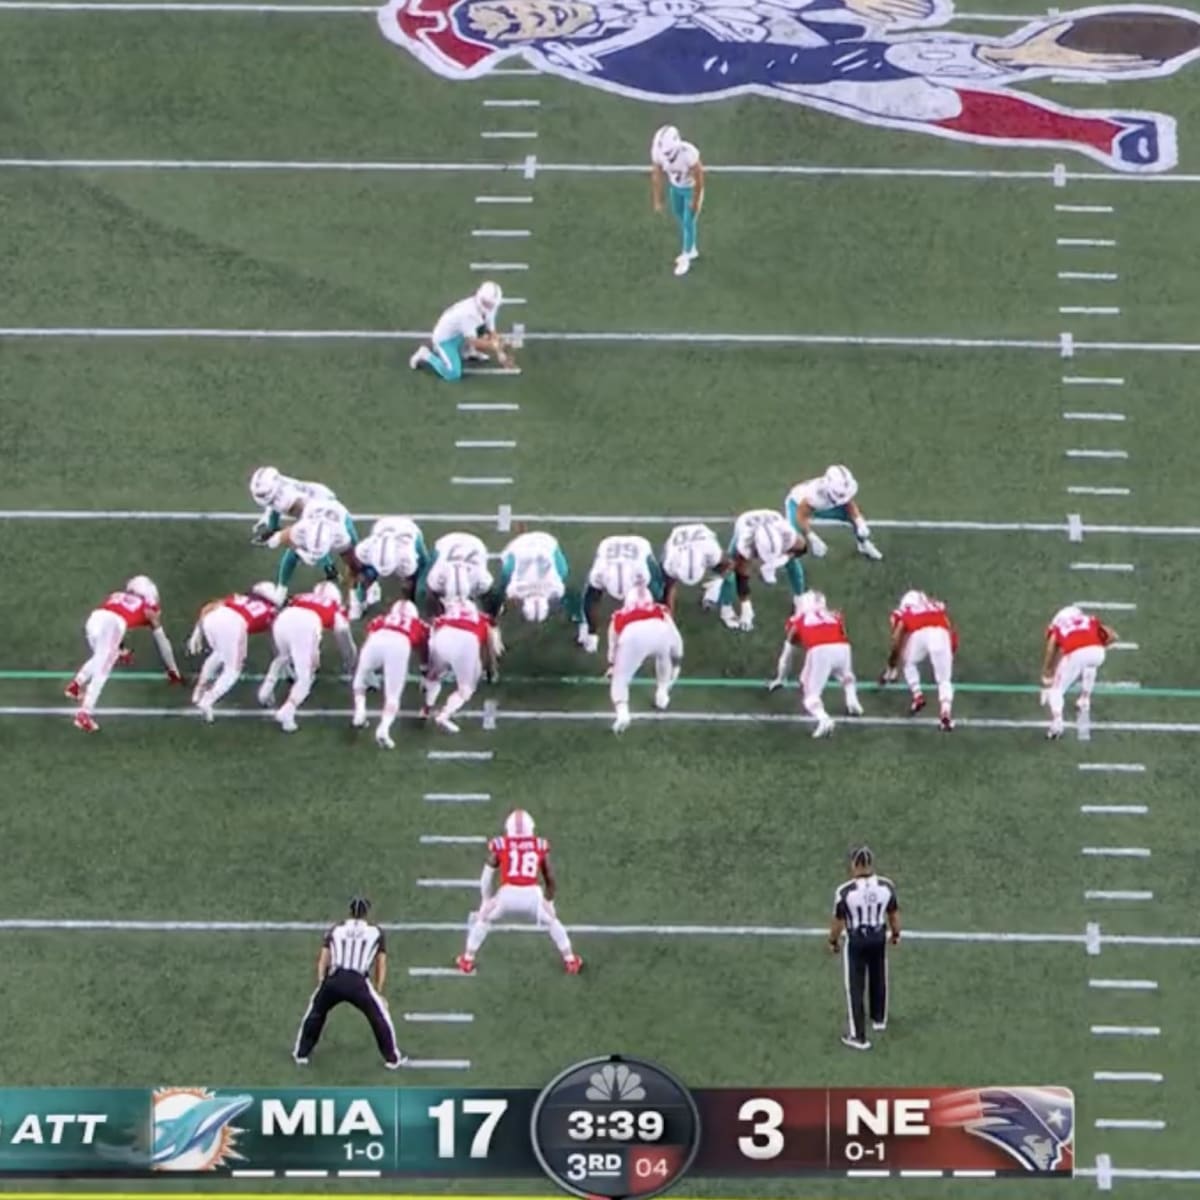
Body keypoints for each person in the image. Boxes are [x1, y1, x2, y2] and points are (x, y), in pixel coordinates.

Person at [456, 810, 582, 975]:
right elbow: (550, 878)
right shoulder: (540, 845)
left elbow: (486, 876)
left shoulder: (501, 844)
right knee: (552, 921)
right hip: (533, 895)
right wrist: (549, 902)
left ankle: (467, 959)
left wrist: (487, 900)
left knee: (483, 920)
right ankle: (570, 960)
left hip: (507, 895)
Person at [293, 896, 406, 1069]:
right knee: (379, 1017)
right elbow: (380, 964)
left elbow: (323, 959)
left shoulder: (336, 929)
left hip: (335, 978)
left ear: (350, 911)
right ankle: (392, 1058)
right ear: (366, 912)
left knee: (315, 1013)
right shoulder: (376, 932)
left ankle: (301, 1053)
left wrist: (322, 983)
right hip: (357, 981)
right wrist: (379, 991)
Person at [66, 576, 184, 732]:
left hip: (95, 619)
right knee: (103, 669)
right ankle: (84, 714)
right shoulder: (148, 608)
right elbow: (163, 642)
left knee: (104, 656)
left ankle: (75, 685)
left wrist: (120, 649)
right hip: (113, 625)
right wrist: (173, 669)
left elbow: (116, 614)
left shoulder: (117, 595)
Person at [257, 582, 357, 732]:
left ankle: (266, 690)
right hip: (306, 624)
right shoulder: (334, 608)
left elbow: (275, 614)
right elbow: (344, 636)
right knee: (306, 678)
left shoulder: (300, 597)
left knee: (283, 657)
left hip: (283, 619)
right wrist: (351, 663)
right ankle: (287, 712)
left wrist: (277, 651)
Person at [830, 845, 900, 1052]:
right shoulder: (886, 886)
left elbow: (838, 922)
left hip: (857, 941)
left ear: (854, 864)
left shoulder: (845, 891)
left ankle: (858, 1036)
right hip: (878, 936)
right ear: (871, 863)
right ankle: (879, 1019)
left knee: (855, 986)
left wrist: (832, 941)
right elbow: (894, 914)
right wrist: (896, 934)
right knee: (879, 975)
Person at [768, 589, 862, 737]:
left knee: (810, 694)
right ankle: (852, 700)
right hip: (843, 647)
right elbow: (842, 633)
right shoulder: (835, 616)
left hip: (820, 651)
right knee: (845, 674)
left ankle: (824, 720)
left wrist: (781, 678)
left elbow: (787, 655)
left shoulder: (798, 621)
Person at [187, 582, 286, 721]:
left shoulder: (238, 598)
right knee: (233, 670)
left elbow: (209, 607)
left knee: (219, 653)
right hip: (234, 624)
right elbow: (275, 642)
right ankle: (207, 700)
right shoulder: (271, 611)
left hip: (212, 618)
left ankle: (199, 690)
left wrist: (197, 632)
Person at [703, 509, 807, 632]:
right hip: (746, 522)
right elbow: (742, 577)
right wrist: (746, 607)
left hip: (773, 519)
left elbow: (802, 549)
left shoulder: (788, 534)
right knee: (729, 570)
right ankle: (726, 608)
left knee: (793, 563)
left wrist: (783, 559)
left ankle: (800, 600)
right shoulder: (745, 543)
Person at [352, 599, 429, 749]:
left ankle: (359, 711)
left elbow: (369, 633)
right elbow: (424, 649)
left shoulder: (381, 619)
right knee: (393, 695)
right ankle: (384, 728)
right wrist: (424, 671)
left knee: (360, 679)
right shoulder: (418, 623)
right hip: (399, 644)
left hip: (376, 639)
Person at [607, 585, 683, 734]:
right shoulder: (660, 610)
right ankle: (662, 692)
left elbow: (613, 644)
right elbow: (675, 636)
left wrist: (612, 664)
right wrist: (677, 659)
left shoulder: (619, 615)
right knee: (664, 657)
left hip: (632, 635)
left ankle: (623, 713)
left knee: (620, 679)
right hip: (660, 630)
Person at [882, 589, 958, 730]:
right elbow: (950, 629)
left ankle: (917, 695)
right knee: (944, 680)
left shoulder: (906, 612)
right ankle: (945, 713)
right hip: (940, 633)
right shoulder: (935, 607)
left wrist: (892, 664)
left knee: (909, 663)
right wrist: (951, 651)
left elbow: (897, 639)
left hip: (920, 634)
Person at [409, 281, 513, 380]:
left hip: (459, 333)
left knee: (483, 330)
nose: (490, 306)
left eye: (491, 304)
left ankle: (467, 351)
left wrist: (500, 353)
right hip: (445, 339)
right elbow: (473, 341)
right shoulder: (468, 314)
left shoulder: (489, 307)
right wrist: (494, 346)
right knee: (453, 374)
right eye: (487, 303)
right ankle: (426, 354)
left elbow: (491, 330)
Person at [423, 598, 498, 733]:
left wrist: (429, 666)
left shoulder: (443, 618)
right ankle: (444, 716)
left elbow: (430, 639)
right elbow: (489, 649)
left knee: (433, 676)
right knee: (466, 689)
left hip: (442, 637)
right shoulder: (481, 619)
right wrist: (490, 670)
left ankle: (427, 707)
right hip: (467, 642)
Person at [1041, 605, 1116, 739]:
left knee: (1056, 690)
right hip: (1098, 652)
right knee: (1090, 666)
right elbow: (1112, 635)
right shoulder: (1089, 620)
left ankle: (1057, 724)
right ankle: (1084, 699)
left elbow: (1051, 649)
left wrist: (1047, 670)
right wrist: (1099, 646)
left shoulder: (1058, 626)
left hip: (1077, 653)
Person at [785, 465, 883, 561]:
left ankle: (863, 544)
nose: (841, 497)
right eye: (839, 494)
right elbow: (801, 516)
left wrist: (859, 520)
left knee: (853, 519)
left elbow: (848, 503)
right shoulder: (813, 496)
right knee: (793, 540)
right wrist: (812, 537)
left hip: (824, 505)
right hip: (797, 505)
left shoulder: (843, 488)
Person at [650, 124, 704, 277]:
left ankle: (686, 256)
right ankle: (691, 248)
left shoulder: (688, 153)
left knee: (688, 221)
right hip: (676, 188)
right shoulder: (658, 152)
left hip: (690, 189)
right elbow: (657, 174)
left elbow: (699, 178)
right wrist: (657, 198)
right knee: (679, 216)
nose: (667, 157)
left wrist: (695, 199)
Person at [660, 523, 723, 613]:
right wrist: (669, 615)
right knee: (665, 585)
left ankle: (714, 584)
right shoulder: (670, 561)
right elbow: (670, 587)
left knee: (723, 569)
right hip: (677, 535)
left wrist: (718, 582)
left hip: (704, 534)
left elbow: (727, 564)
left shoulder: (712, 551)